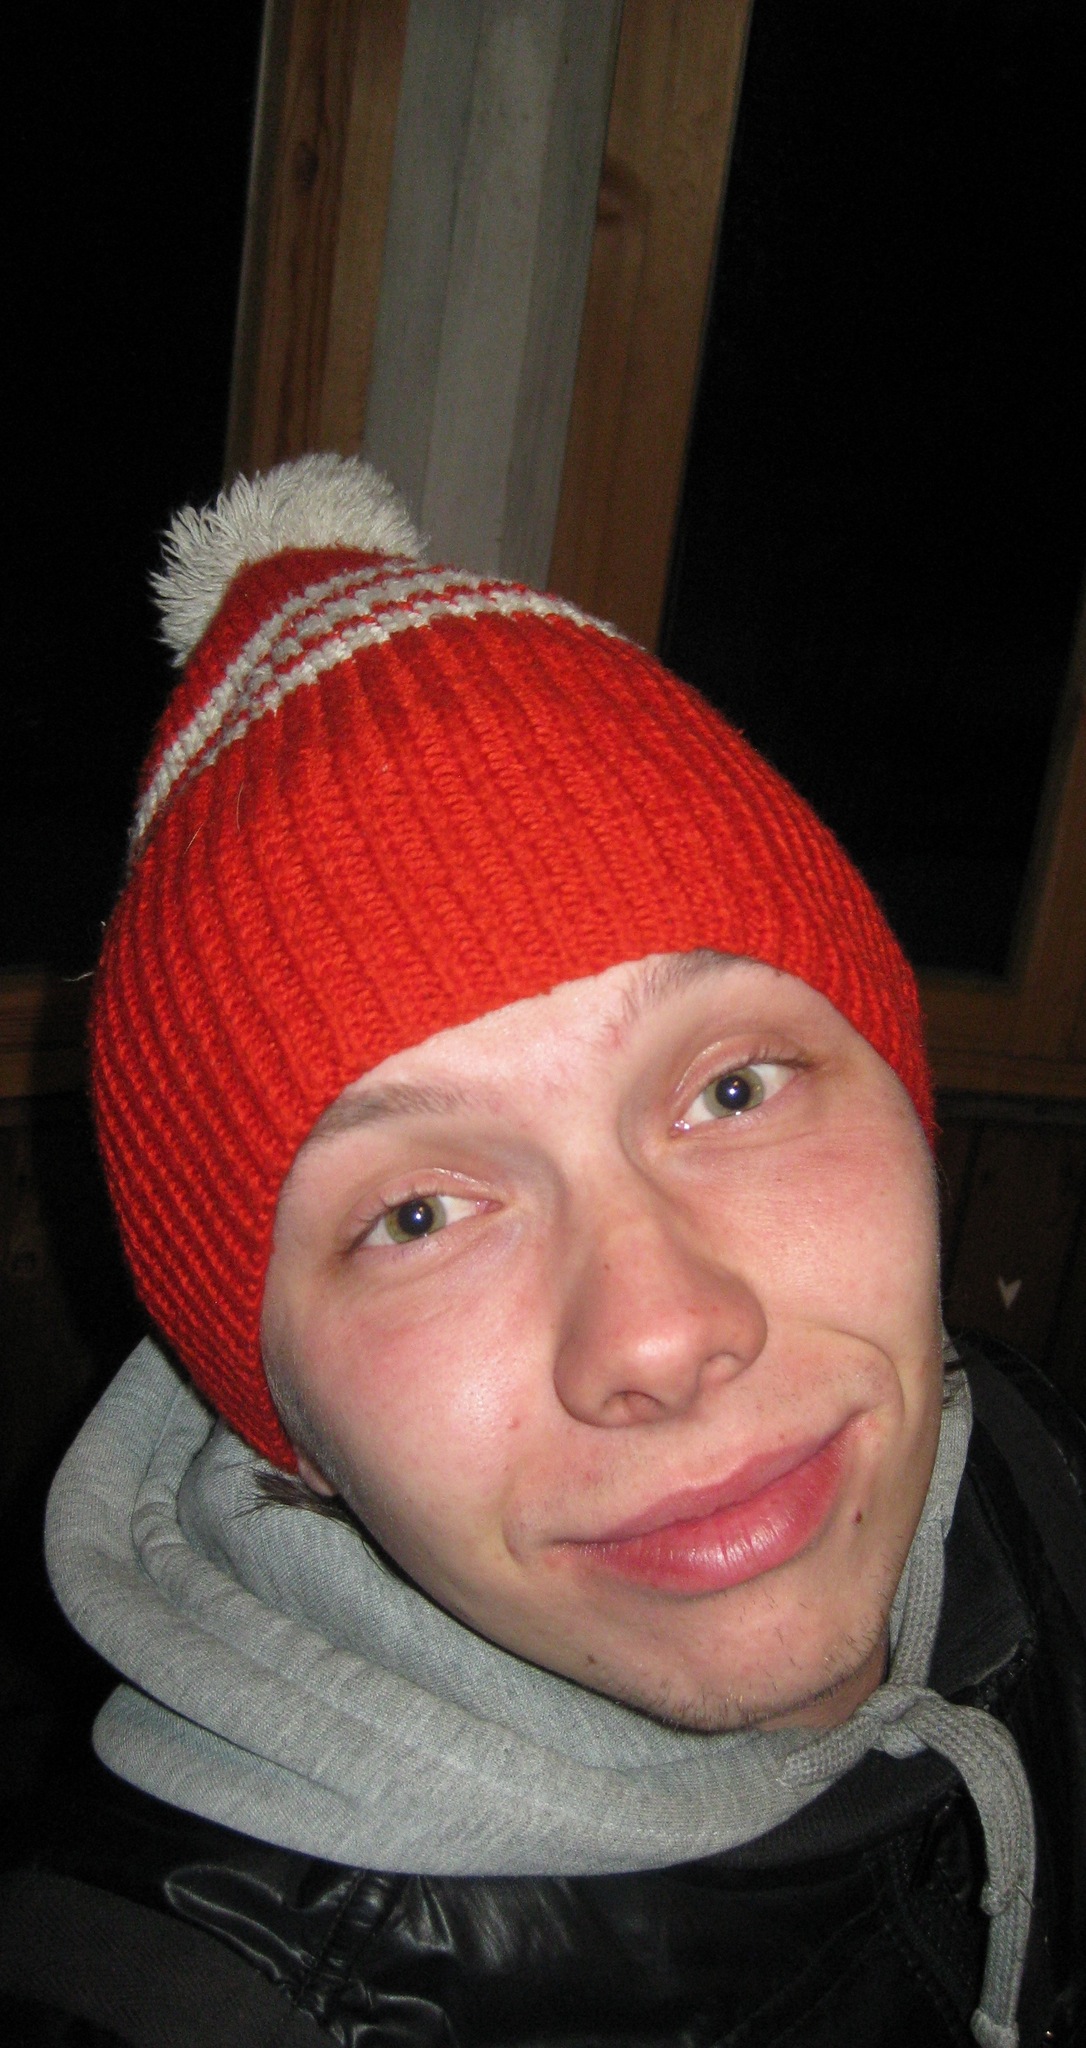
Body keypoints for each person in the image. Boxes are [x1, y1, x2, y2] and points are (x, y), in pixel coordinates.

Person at [1, 455, 1083, 2047]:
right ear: (282, 1428)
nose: (662, 1335)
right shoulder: (179, 2002)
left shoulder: (1027, 1463)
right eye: (418, 1215)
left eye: (731, 1089)